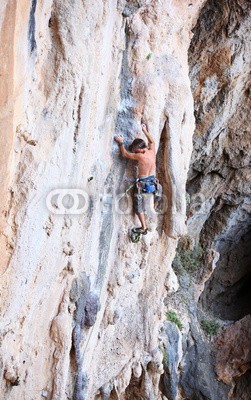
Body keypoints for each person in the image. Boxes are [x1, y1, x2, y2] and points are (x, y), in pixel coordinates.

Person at [115, 124, 162, 235]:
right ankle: (154, 206)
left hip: (143, 184)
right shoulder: (151, 151)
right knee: (158, 194)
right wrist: (145, 130)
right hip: (154, 182)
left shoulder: (140, 156)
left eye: (136, 151)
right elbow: (152, 142)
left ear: (140, 150)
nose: (135, 152)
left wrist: (121, 142)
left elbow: (125, 154)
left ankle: (143, 227)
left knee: (138, 206)